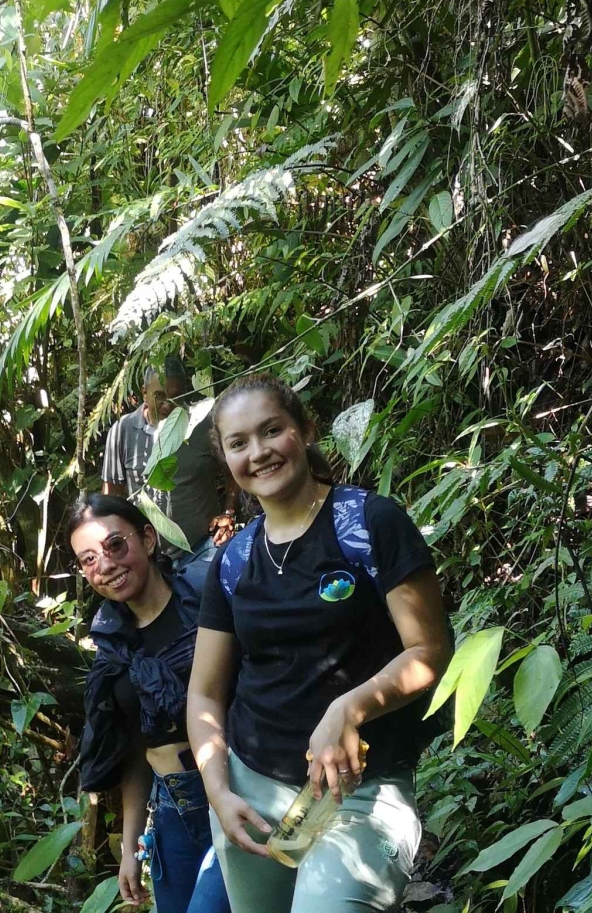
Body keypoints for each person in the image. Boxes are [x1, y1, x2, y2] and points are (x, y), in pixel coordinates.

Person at [185, 375, 454, 912]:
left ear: (305, 430)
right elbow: (204, 696)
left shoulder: (369, 523)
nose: (258, 452)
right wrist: (218, 789)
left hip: (361, 794)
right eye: (239, 443)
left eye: (272, 431)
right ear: (226, 459)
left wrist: (349, 709)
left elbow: (431, 650)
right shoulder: (233, 562)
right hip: (251, 787)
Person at [72, 494, 230, 913]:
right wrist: (129, 847)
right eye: (88, 560)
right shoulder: (113, 643)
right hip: (172, 808)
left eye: (114, 546)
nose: (104, 566)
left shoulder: (206, 603)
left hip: (234, 787)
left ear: (147, 538)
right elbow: (137, 750)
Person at [102, 357, 236, 590]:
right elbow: (110, 499)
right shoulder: (122, 432)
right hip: (149, 558)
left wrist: (228, 512)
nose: (168, 405)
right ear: (144, 393)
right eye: (160, 396)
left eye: (176, 396)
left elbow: (233, 471)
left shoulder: (202, 425)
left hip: (204, 546)